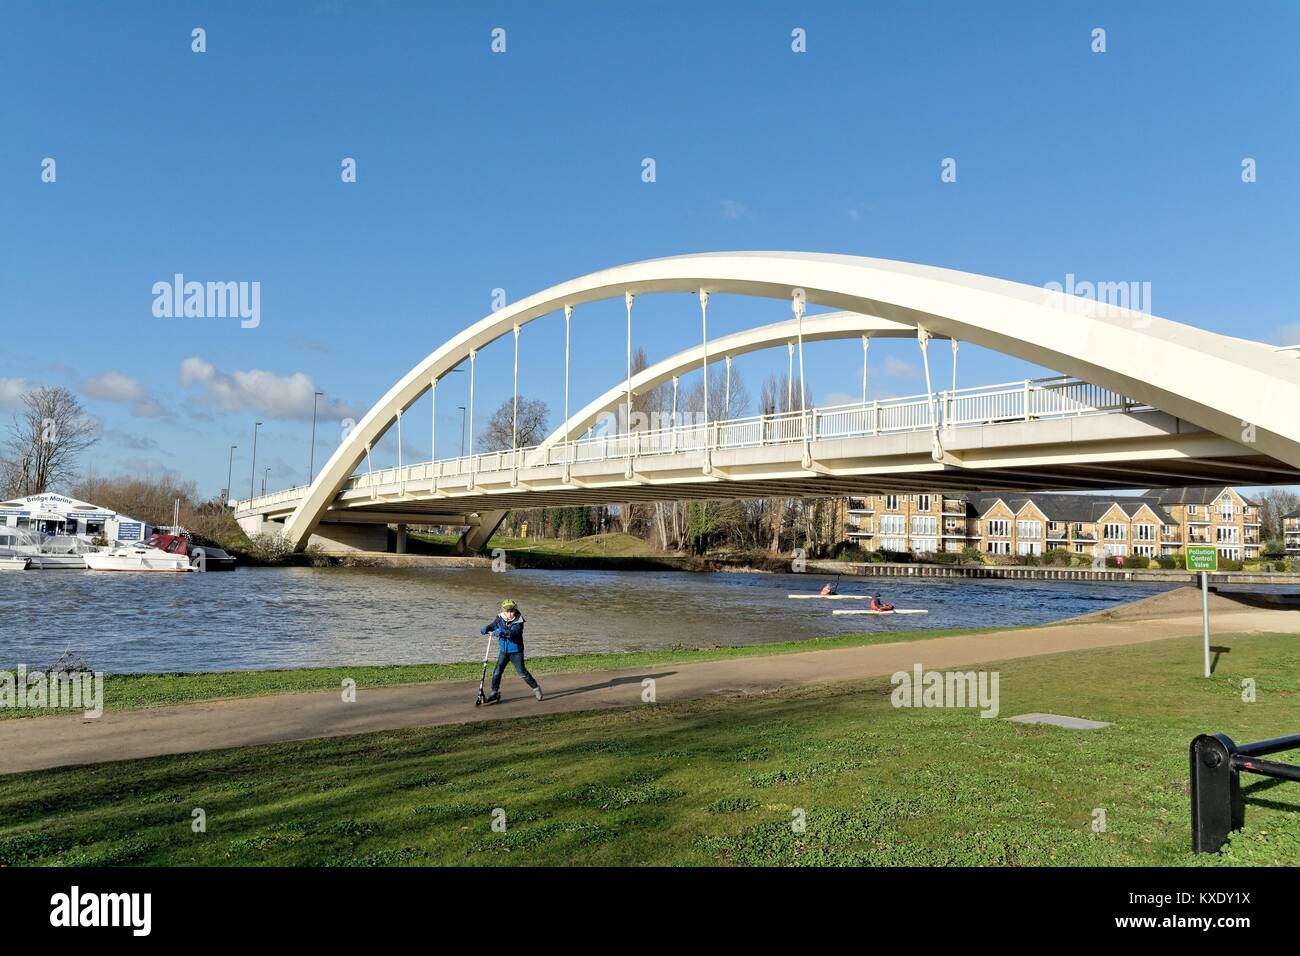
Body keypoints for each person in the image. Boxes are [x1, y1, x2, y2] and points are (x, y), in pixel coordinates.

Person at [481, 598, 542, 704]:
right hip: (503, 651)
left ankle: (536, 688)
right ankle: (495, 692)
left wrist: (501, 632)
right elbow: (493, 625)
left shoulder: (519, 621)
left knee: (522, 672)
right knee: (497, 672)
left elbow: (513, 633)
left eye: (512, 611)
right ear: (504, 611)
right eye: (507, 611)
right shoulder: (500, 618)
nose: (509, 614)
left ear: (515, 610)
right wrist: (487, 628)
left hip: (516, 651)